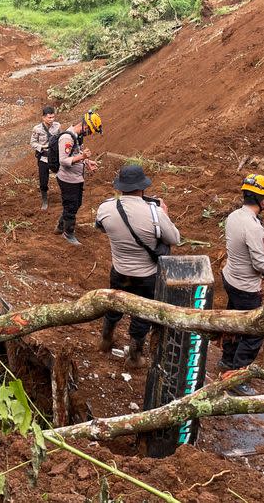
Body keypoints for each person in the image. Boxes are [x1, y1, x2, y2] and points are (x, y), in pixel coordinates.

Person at [95, 165, 181, 368]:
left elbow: (100, 226)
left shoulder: (106, 207)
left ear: (120, 188)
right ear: (143, 187)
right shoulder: (155, 213)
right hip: (147, 276)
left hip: (120, 270)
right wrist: (164, 213)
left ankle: (106, 338)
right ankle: (135, 355)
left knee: (114, 303)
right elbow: (174, 238)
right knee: (142, 313)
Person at [220, 174, 264, 393]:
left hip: (230, 277)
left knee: (233, 321)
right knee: (254, 332)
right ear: (263, 200)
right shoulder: (253, 227)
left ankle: (226, 362)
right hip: (246, 287)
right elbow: (260, 265)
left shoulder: (233, 216)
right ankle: (237, 377)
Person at [56, 110, 102, 245]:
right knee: (71, 205)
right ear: (86, 127)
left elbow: (78, 153)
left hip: (76, 177)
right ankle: (68, 233)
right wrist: (82, 157)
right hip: (67, 178)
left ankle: (60, 225)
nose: (89, 134)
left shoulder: (77, 137)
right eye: (91, 131)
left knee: (76, 203)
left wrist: (87, 162)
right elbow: (63, 160)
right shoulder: (67, 138)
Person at [30, 106, 61, 210]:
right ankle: (44, 199)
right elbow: (33, 142)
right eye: (49, 117)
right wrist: (42, 147)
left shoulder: (57, 126)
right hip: (43, 157)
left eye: (53, 117)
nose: (52, 120)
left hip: (55, 157)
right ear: (43, 117)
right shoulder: (37, 129)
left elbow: (61, 139)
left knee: (61, 175)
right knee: (43, 181)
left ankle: (65, 195)